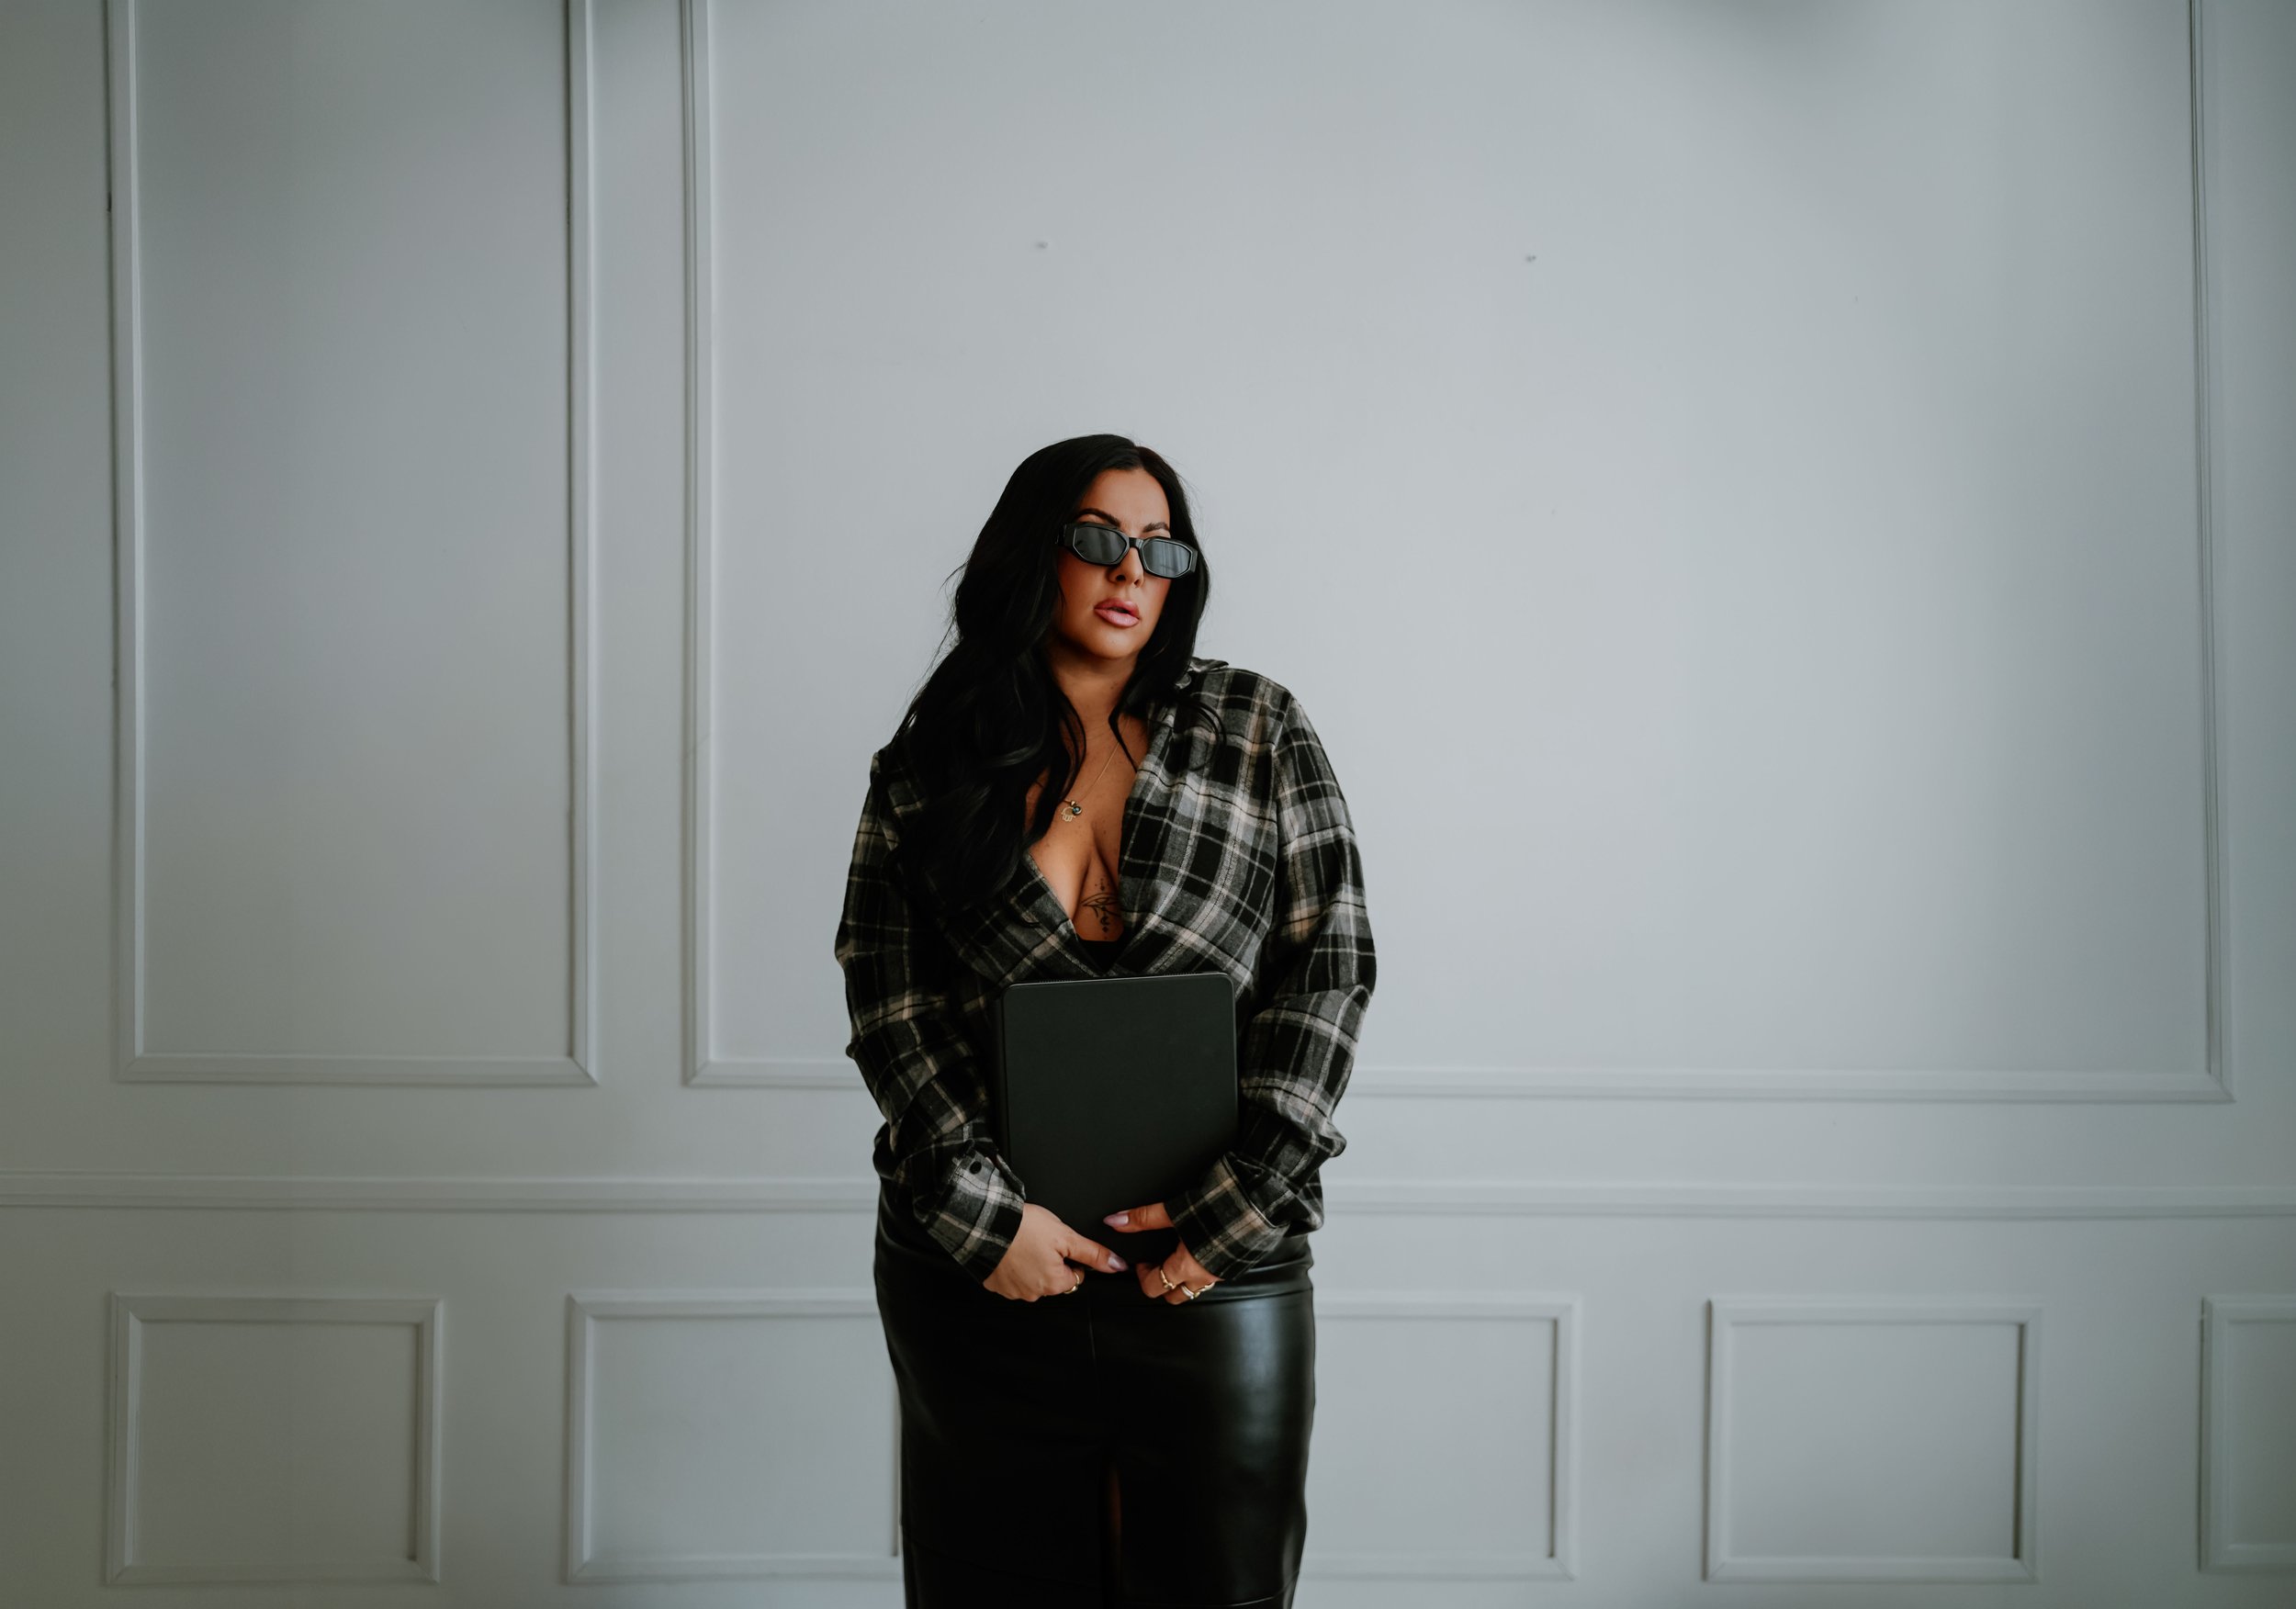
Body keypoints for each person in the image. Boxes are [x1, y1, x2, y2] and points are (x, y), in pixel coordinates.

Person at [834, 433, 1377, 1607]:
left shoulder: (1256, 727)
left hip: (1214, 1266)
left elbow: (1325, 971)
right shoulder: (931, 766)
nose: (1131, 571)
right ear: (1036, 554)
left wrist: (1229, 1217)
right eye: (1097, 540)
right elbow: (891, 1001)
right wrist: (986, 1220)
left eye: (1159, 547)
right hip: (983, 1275)